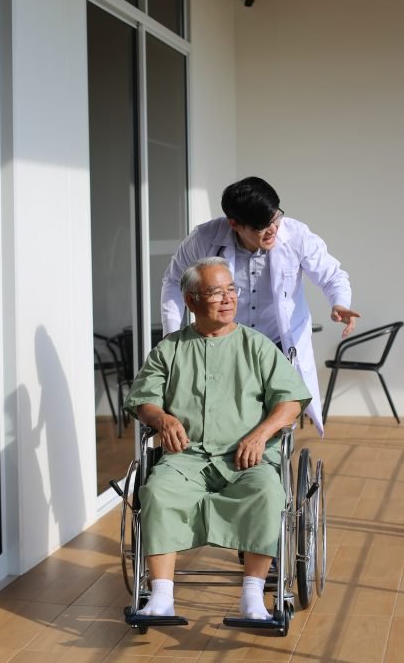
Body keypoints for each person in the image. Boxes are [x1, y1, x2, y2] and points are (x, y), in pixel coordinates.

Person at [125, 257, 311, 621]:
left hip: (247, 458)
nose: (228, 299)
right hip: (185, 457)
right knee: (157, 492)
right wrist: (161, 418)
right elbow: (142, 399)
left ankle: (253, 597)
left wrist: (261, 435)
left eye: (231, 290)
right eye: (215, 292)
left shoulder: (256, 345)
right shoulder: (170, 349)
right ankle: (161, 597)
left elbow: (290, 402)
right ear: (192, 301)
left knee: (268, 493)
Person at [161, 176, 359, 433]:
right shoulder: (205, 238)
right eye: (261, 227)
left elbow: (333, 275)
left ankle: (272, 466)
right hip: (226, 343)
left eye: (276, 218)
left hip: (278, 343)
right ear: (234, 224)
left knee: (277, 418)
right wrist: (171, 334)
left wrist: (340, 303)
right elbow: (173, 280)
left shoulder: (297, 235)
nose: (273, 229)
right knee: (228, 415)